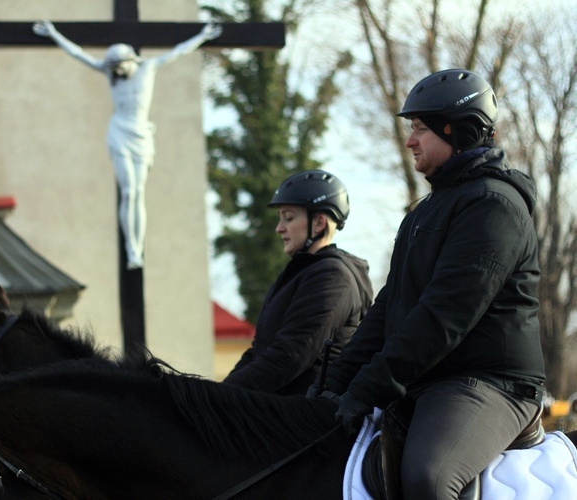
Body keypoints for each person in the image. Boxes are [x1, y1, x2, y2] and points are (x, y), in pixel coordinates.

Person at [320, 69, 545, 499]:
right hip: (428, 379)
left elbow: (443, 316)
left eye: (420, 129)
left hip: (489, 383)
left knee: (429, 477)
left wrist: (368, 388)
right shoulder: (426, 210)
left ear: (457, 130)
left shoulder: (494, 206)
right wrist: (336, 385)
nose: (410, 141)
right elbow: (390, 306)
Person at [33, 20, 223, 270]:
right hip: (119, 132)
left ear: (130, 59)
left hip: (142, 134)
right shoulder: (110, 73)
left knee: (139, 192)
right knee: (129, 191)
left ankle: (137, 247)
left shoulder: (149, 68)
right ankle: (132, 249)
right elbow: (79, 54)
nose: (117, 73)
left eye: (120, 66)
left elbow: (179, 51)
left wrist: (202, 36)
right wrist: (54, 34)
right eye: (114, 68)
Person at [223, 170, 373, 395]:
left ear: (319, 223)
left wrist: (221, 399)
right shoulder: (301, 272)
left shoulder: (332, 276)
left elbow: (290, 356)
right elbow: (260, 351)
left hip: (304, 415)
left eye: (289, 217)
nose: (279, 227)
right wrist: (214, 394)